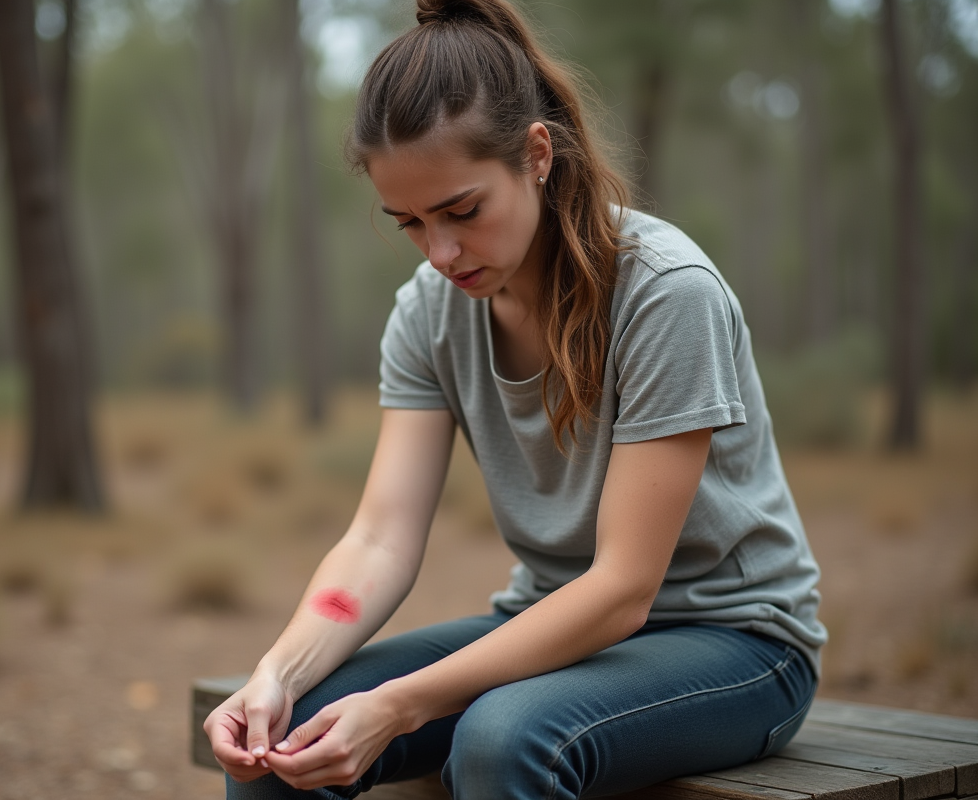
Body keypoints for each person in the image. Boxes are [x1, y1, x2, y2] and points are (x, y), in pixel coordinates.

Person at [203, 1, 827, 797]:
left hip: (737, 645)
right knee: (279, 737)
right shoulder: (429, 314)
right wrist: (276, 673)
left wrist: (396, 706)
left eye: (463, 211)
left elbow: (622, 590)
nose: (441, 253)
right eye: (411, 223)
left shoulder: (666, 293)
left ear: (537, 155)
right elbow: (379, 541)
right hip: (551, 624)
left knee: (503, 741)